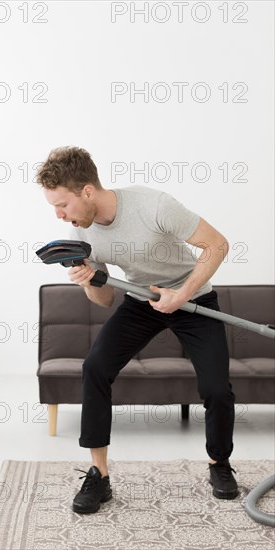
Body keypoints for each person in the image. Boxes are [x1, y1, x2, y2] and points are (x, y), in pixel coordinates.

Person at [37, 146, 238, 514]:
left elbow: (217, 245)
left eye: (61, 204)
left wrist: (182, 295)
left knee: (216, 388)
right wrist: (88, 279)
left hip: (192, 298)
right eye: (54, 207)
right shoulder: (81, 232)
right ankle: (99, 475)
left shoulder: (154, 206)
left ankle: (219, 464)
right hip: (140, 300)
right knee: (95, 367)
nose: (59, 215)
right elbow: (103, 300)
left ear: (87, 191)